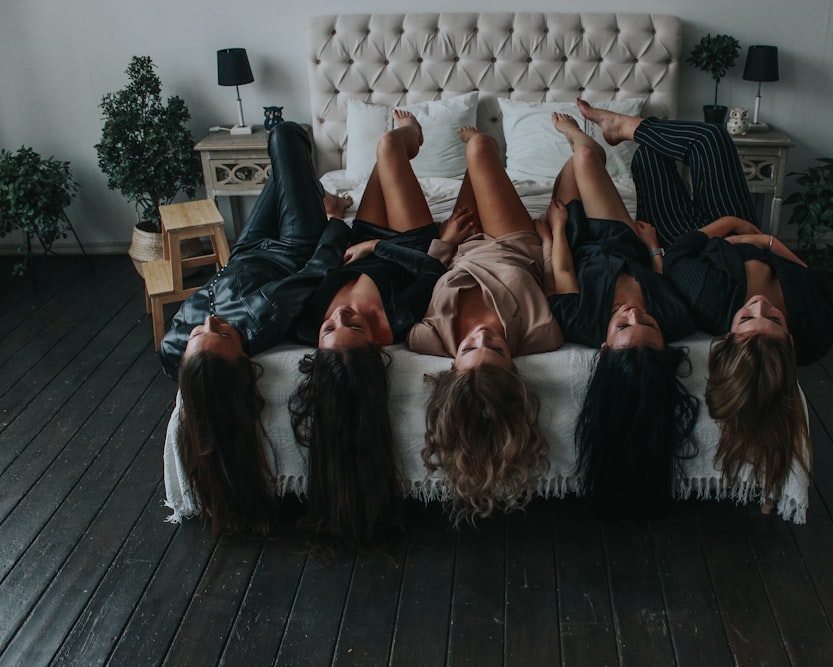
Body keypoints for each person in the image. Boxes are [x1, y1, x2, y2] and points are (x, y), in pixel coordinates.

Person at [577, 99, 833, 502]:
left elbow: (681, 252)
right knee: (711, 137)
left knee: (649, 157)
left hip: (696, 238)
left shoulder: (711, 301)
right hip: (745, 234)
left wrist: (738, 231)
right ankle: (622, 125)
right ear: (790, 339)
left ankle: (625, 129)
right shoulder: (817, 331)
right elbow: (806, 272)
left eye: (747, 318)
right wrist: (768, 240)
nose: (760, 307)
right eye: (774, 318)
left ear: (728, 335)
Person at [287, 111, 476, 550]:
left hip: (363, 230)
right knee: (390, 146)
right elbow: (429, 268)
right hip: (404, 242)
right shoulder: (395, 324)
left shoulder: (306, 322)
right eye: (352, 324)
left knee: (379, 158)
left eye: (330, 325)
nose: (340, 316)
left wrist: (337, 223)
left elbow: (314, 266)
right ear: (373, 343)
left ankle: (399, 147)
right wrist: (379, 247)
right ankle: (414, 135)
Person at [160, 121, 353, 537]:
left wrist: (199, 344)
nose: (209, 322)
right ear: (245, 358)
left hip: (245, 250)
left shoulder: (173, 352)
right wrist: (336, 221)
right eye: (224, 333)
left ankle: (314, 189)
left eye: (198, 334)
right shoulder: (265, 316)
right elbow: (317, 271)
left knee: (283, 166)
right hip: (293, 248)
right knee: (285, 134)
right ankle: (324, 199)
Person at [537, 113, 700, 517]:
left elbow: (561, 272)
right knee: (588, 155)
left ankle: (578, 144)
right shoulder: (676, 317)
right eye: (647, 324)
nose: (633, 314)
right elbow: (660, 279)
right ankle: (583, 135)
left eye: (625, 326)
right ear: (663, 341)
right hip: (618, 237)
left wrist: (555, 230)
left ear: (606, 347)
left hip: (575, 241)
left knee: (573, 165)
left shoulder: (581, 323)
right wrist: (653, 247)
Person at [407, 126, 564, 524]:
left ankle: (480, 157)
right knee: (478, 148)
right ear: (513, 366)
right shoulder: (540, 334)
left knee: (470, 174)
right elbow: (554, 284)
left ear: (451, 366)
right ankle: (485, 141)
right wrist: (548, 240)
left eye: (468, 348)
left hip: (461, 245)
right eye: (495, 348)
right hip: (511, 242)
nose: (482, 336)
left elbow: (418, 279)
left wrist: (444, 241)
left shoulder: (426, 338)